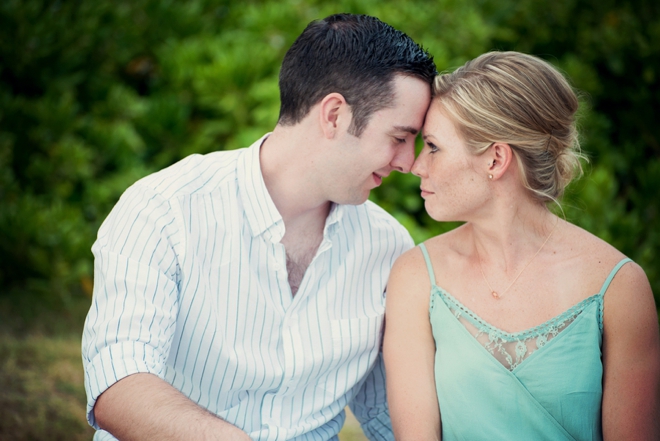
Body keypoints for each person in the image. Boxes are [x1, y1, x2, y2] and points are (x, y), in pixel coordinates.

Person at [81, 13, 436, 441]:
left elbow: (388, 414)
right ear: (335, 115)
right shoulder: (164, 210)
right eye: (399, 137)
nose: (409, 162)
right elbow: (119, 385)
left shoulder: (387, 246)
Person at [383, 51, 660, 440]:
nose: (416, 166)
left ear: (496, 159)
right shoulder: (415, 277)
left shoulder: (618, 286)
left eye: (432, 146)